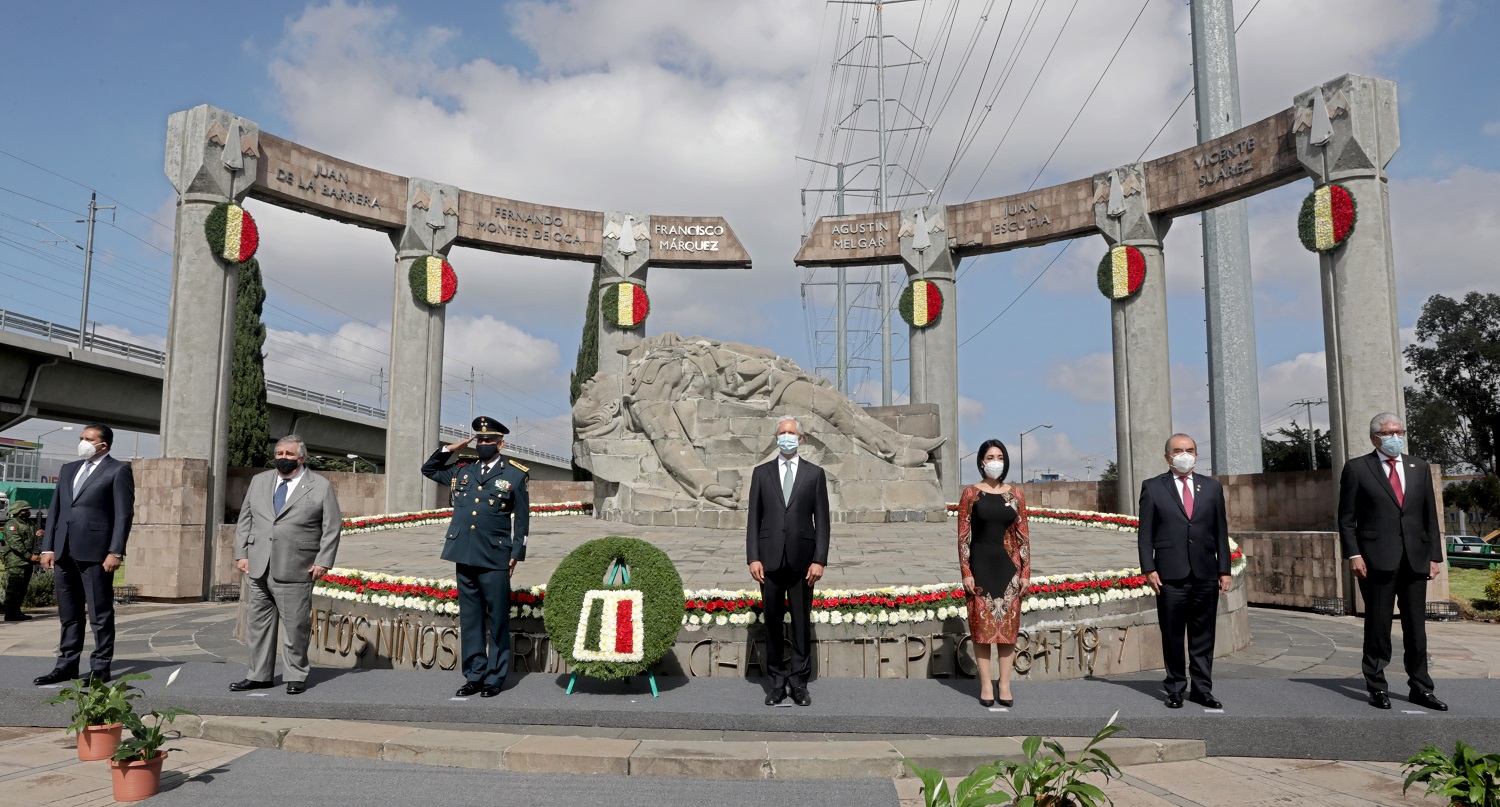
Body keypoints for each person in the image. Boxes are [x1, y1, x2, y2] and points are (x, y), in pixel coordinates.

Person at [1338, 412, 1446, 711]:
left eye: (1399, 431)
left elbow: (1429, 516)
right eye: (1388, 432)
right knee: (1378, 626)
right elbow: (1346, 519)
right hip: (1375, 561)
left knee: (1416, 628)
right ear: (1374, 437)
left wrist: (1434, 557)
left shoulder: (1418, 467)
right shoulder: (1358, 468)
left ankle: (1421, 687)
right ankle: (1376, 686)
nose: (1395, 437)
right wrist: (1354, 554)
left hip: (1415, 559)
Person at [422, 416, 530, 698]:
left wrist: (516, 553)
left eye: (489, 441)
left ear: (500, 444)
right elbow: (429, 469)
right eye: (479, 440)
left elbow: (522, 521)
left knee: (497, 619)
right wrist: (452, 448)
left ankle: (495, 676)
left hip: (495, 556)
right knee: (470, 618)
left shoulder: (514, 475)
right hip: (464, 554)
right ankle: (474, 675)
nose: (483, 444)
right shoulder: (462, 470)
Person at [230, 435, 342, 695]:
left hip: (297, 565)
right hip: (258, 565)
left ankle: (295, 675)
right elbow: (245, 518)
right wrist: (241, 554)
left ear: (301, 458)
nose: (282, 458)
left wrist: (323, 561)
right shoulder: (260, 481)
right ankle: (258, 675)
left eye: (289, 454)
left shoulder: (320, 486)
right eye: (279, 453)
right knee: (257, 626)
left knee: (295, 627)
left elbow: (332, 526)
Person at [35, 424, 134, 686]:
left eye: (88, 439)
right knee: (69, 613)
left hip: (96, 553)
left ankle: (100, 668)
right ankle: (66, 664)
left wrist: (115, 551)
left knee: (99, 614)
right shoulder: (69, 469)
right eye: (81, 438)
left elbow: (123, 515)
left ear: (104, 444)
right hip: (64, 550)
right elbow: (55, 510)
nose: (82, 443)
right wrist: (47, 547)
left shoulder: (118, 470)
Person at [1138, 433, 1231, 710]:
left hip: (1205, 572)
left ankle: (1202, 689)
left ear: (1196, 454)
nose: (1184, 454)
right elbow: (1145, 534)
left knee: (1204, 634)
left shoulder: (1212, 488)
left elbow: (1221, 530)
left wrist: (1224, 569)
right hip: (1170, 574)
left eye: (1189, 449)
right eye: (1178, 450)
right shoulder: (1153, 487)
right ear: (1168, 456)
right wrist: (1149, 567)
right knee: (1173, 634)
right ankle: (1176, 688)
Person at [746, 416, 830, 707]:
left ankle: (799, 683)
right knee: (771, 623)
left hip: (802, 563)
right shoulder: (761, 473)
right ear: (776, 437)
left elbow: (822, 520)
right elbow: (753, 520)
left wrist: (819, 559)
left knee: (800, 625)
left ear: (801, 439)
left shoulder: (815, 474)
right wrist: (753, 556)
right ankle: (776, 682)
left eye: (791, 432)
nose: (786, 436)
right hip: (768, 562)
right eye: (782, 432)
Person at [958, 440, 1031, 707]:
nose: (995, 461)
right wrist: (966, 571)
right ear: (981, 461)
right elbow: (963, 537)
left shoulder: (1016, 495)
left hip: (1009, 570)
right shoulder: (970, 494)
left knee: (1008, 631)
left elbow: (1023, 537)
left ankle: (1005, 683)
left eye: (1000, 456)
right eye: (990, 456)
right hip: (980, 569)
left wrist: (1025, 573)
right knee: (982, 631)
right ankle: (986, 683)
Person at [3, 499, 41, 621]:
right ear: (19, 511)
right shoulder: (11, 525)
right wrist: (29, 556)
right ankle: (10, 614)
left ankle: (16, 611)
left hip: (27, 562)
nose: (28, 512)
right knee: (13, 589)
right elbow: (15, 543)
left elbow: (33, 535)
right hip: (16, 562)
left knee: (22, 589)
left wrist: (40, 533)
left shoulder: (29, 523)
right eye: (25, 510)